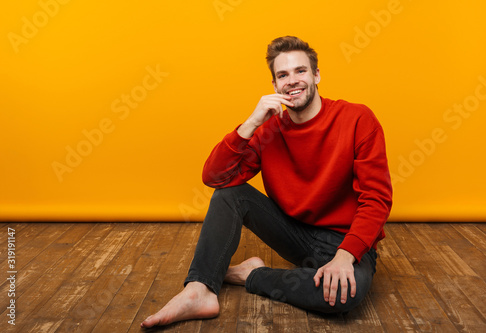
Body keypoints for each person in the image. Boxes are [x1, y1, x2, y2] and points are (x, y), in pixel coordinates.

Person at [141, 36, 392, 328]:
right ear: (274, 86)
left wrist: (345, 256)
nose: (292, 81)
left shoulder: (357, 118)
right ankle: (199, 290)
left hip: (347, 240)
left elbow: (377, 197)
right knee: (229, 195)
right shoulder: (268, 131)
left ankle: (249, 275)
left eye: (300, 71)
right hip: (296, 235)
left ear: (316, 75)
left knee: (344, 296)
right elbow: (215, 177)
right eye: (282, 75)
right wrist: (251, 123)